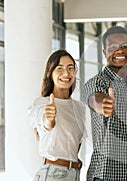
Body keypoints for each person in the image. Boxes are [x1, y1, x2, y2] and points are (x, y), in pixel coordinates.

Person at [83, 26, 127, 180]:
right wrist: (102, 105)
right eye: (113, 47)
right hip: (108, 175)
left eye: (125, 46)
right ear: (104, 52)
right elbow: (94, 97)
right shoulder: (98, 82)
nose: (120, 51)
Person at [29, 49, 86, 181]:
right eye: (59, 68)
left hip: (75, 173)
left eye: (70, 68)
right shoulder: (42, 103)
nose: (66, 73)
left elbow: (76, 144)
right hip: (53, 174)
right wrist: (49, 120)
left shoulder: (79, 108)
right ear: (50, 73)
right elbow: (45, 123)